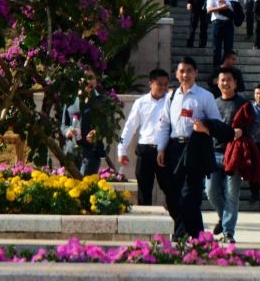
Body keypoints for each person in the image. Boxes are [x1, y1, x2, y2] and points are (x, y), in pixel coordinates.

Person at [156, 57, 231, 238]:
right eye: (182, 71)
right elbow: (165, 124)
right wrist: (161, 148)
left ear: (195, 73)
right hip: (174, 149)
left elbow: (217, 123)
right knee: (174, 196)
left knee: (190, 195)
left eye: (189, 70)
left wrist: (205, 127)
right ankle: (197, 235)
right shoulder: (171, 97)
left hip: (195, 149)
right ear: (176, 74)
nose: (185, 74)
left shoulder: (205, 96)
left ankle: (180, 235)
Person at [118, 69, 171, 206]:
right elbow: (129, 127)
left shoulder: (171, 102)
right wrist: (121, 150)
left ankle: (176, 223)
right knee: (144, 191)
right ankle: (146, 223)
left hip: (165, 151)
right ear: (150, 84)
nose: (163, 88)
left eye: (165, 84)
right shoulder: (140, 103)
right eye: (159, 84)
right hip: (145, 150)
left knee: (170, 188)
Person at [207, 69, 248, 243]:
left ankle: (228, 232)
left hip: (234, 154)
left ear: (235, 83)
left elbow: (254, 126)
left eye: (229, 80)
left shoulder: (243, 104)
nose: (225, 83)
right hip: (214, 153)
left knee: (232, 194)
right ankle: (224, 217)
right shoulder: (212, 103)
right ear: (217, 82)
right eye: (222, 80)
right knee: (211, 191)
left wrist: (242, 132)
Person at [60, 72, 107, 176]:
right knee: (71, 188)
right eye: (85, 78)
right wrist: (67, 131)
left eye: (91, 78)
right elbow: (63, 125)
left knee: (86, 187)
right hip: (71, 151)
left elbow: (106, 126)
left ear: (95, 81)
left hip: (91, 151)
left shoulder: (101, 101)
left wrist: (96, 133)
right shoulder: (70, 99)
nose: (88, 81)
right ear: (79, 80)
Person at [206, 0, 239, 71]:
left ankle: (227, 68)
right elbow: (209, 10)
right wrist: (220, 8)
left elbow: (237, 12)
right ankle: (216, 69)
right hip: (217, 23)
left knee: (228, 48)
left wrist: (227, 7)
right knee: (216, 48)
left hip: (228, 23)